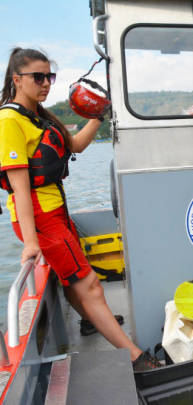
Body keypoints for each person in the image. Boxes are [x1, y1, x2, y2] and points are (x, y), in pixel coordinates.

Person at [0, 48, 161, 371]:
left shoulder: (38, 115)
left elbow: (75, 146)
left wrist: (99, 115)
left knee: (74, 278)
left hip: (56, 211)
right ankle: (134, 356)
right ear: (17, 79)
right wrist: (31, 242)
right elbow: (20, 189)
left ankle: (91, 320)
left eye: (50, 76)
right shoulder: (9, 121)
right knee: (88, 284)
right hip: (40, 219)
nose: (46, 83)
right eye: (38, 77)